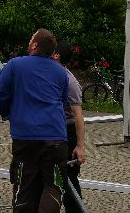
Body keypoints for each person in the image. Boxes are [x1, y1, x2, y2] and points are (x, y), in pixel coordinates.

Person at [0, 28, 72, 213]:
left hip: (26, 137)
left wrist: (8, 113)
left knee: (24, 187)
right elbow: (62, 102)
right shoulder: (61, 72)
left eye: (31, 39)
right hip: (55, 137)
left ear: (35, 45)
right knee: (54, 187)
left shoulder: (15, 65)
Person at [52, 41, 87, 213]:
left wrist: (80, 146)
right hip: (53, 131)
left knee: (68, 178)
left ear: (56, 55)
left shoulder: (70, 81)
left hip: (68, 132)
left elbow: (78, 116)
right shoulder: (50, 75)